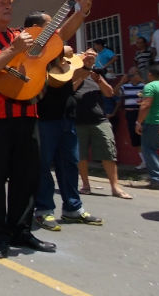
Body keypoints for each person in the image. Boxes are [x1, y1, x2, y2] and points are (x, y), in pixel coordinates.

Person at [0, 0, 91, 258]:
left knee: (26, 179)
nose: (8, 5)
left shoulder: (24, 34)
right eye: (1, 2)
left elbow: (59, 37)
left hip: (28, 117)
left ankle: (21, 232)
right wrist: (12, 52)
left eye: (9, 1)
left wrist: (81, 11)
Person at [25, 12, 102, 231]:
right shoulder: (31, 51)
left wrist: (85, 67)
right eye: (50, 26)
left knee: (69, 164)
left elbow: (71, 80)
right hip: (42, 116)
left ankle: (72, 208)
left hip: (67, 116)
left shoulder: (60, 53)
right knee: (42, 166)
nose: (56, 29)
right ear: (35, 29)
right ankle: (44, 210)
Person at [74, 50, 133, 200]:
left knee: (109, 152)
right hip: (78, 121)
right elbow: (70, 90)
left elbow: (109, 93)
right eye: (86, 57)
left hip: (100, 119)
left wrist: (99, 79)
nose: (89, 60)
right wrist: (83, 73)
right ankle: (86, 185)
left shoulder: (96, 75)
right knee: (81, 155)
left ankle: (115, 187)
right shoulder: (73, 74)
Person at [114, 67, 146, 169]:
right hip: (130, 114)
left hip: (142, 113)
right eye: (130, 75)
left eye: (133, 75)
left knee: (145, 136)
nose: (131, 77)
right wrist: (121, 81)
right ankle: (144, 161)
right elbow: (114, 93)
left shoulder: (144, 86)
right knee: (135, 138)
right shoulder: (125, 86)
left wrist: (142, 80)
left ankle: (149, 161)